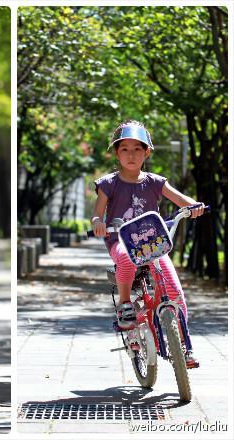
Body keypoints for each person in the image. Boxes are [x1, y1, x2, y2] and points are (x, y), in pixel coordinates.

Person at [91, 120, 204, 367]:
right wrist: (98, 222)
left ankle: (185, 346)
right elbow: (97, 214)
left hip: (152, 244)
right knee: (125, 257)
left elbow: (181, 200)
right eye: (124, 149)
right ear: (116, 153)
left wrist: (193, 207)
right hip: (121, 241)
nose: (131, 155)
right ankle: (125, 304)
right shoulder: (109, 183)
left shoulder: (155, 182)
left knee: (174, 290)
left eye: (137, 149)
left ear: (147, 152)